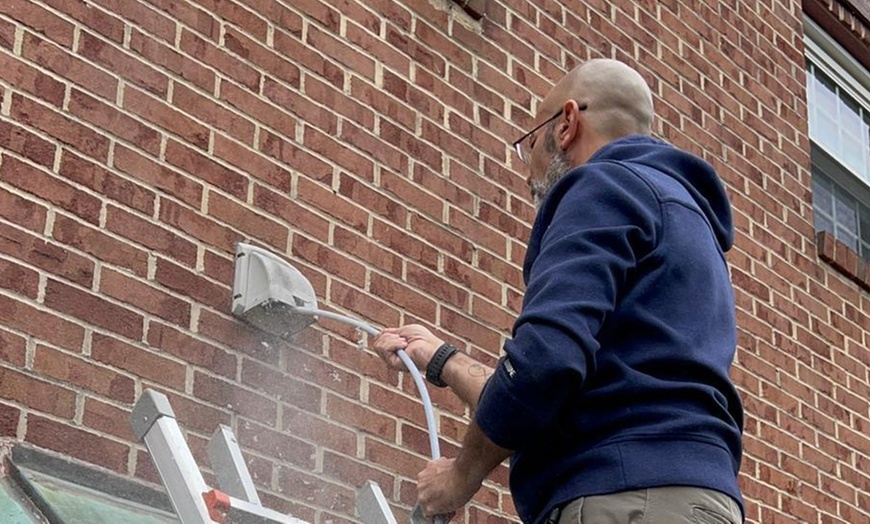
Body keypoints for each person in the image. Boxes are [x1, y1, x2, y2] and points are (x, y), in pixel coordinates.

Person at [373, 58, 744, 524]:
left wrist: (458, 477)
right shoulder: (686, 222)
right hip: (690, 500)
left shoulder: (602, 185)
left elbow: (544, 365)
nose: (529, 169)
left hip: (622, 499)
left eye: (529, 143)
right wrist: (442, 359)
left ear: (566, 124)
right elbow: (556, 391)